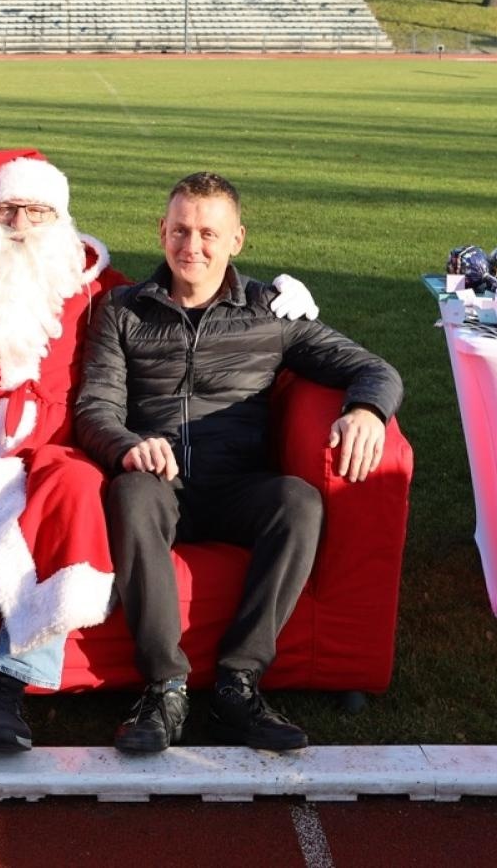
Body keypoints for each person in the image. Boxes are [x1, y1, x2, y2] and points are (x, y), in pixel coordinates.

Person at [0, 149, 321, 752]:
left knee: (74, 493)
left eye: (37, 212)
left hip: (47, 454)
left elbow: (182, 293)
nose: (21, 225)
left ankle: (9, 686)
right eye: (6, 209)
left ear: (62, 219)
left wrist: (271, 294)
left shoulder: (97, 288)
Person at [73, 171, 401, 754]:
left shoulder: (269, 314)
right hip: (160, 480)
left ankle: (238, 684)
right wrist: (128, 445)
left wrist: (367, 412)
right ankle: (164, 687)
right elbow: (94, 405)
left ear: (237, 240)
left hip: (236, 486)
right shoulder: (122, 311)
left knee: (298, 501)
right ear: (161, 231)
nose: (191, 246)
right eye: (179, 230)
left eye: (207, 233)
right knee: (130, 491)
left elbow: (373, 367)